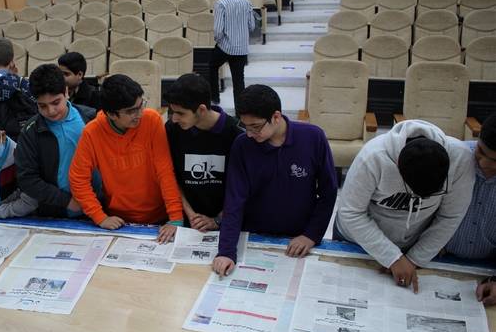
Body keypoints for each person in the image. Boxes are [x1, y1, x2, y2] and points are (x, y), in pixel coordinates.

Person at [335, 119, 475, 293]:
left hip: (413, 245)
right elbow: (351, 213)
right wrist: (392, 257)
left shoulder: (460, 158)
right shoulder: (373, 157)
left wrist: (414, 259)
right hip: (357, 240)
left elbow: (450, 216)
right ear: (398, 167)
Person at [213, 85, 338, 276]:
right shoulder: (242, 146)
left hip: (298, 236)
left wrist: (311, 235)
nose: (249, 133)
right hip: (255, 234)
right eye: (245, 126)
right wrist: (226, 251)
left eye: (255, 127)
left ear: (276, 117)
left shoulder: (313, 137)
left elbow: (328, 192)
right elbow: (234, 201)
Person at [69, 74, 183, 243]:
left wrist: (175, 217)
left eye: (141, 105)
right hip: (119, 221)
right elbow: (78, 179)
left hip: (159, 217)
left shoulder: (151, 120)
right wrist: (99, 217)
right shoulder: (92, 133)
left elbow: (164, 170)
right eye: (131, 111)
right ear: (111, 114)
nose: (139, 114)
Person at [164, 73, 242, 231]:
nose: (174, 119)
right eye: (172, 112)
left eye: (181, 113)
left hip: (228, 221)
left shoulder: (236, 134)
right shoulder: (172, 130)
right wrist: (190, 215)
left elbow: (242, 188)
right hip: (187, 221)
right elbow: (171, 177)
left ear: (201, 110)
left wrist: (218, 220)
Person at [15, 63, 96, 218]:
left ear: (66, 92)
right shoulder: (30, 131)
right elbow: (27, 178)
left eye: (56, 103)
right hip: (55, 212)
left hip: (96, 208)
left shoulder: (90, 119)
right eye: (42, 106)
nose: (51, 111)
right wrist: (66, 201)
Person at [444, 113, 496, 260]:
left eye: (495, 161)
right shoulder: (453, 158)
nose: (484, 164)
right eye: (481, 151)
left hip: (488, 264)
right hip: (436, 255)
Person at [209, 0, 255, 105]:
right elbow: (252, 26)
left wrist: (218, 41)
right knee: (239, 81)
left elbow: (218, 30)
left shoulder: (221, 3)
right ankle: (240, 112)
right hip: (241, 48)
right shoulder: (246, 1)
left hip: (225, 46)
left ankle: (215, 98)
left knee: (212, 66)